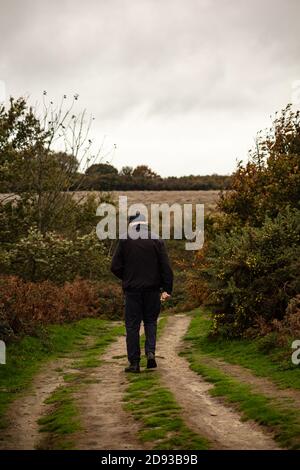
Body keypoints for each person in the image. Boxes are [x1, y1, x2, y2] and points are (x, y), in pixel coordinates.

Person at [111, 212, 173, 373]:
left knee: (132, 326)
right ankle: (150, 353)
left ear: (131, 224)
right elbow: (166, 267)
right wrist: (167, 289)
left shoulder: (125, 240)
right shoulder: (156, 240)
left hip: (132, 291)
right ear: (145, 223)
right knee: (151, 322)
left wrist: (127, 278)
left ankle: (134, 363)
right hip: (153, 290)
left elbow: (115, 267)